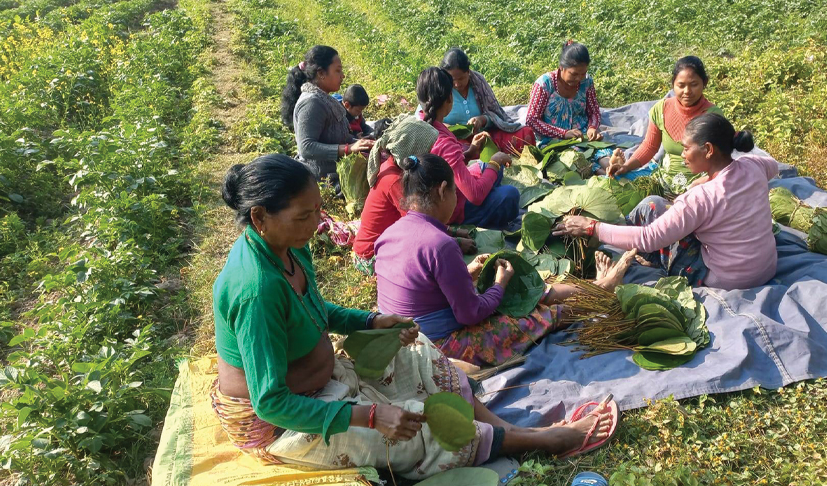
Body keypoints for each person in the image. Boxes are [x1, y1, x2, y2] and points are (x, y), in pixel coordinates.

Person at [212, 154, 616, 476]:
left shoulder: (291, 247)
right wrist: (370, 415)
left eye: (318, 210)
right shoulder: (256, 289)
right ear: (260, 218)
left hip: (322, 380)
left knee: (419, 350)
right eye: (304, 216)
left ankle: (504, 429)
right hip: (285, 421)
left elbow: (316, 311)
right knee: (421, 428)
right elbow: (270, 403)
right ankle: (541, 440)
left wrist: (369, 321)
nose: (317, 223)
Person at [374, 154, 638, 367]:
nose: (456, 199)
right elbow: (470, 314)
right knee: (540, 314)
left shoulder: (389, 234)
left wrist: (469, 272)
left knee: (528, 291)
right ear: (443, 190)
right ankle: (600, 292)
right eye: (456, 190)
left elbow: (422, 285)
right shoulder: (440, 244)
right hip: (433, 346)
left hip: (396, 338)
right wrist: (499, 285)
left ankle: (596, 285)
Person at [555, 114, 777, 290]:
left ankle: (611, 247)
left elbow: (649, 238)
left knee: (650, 208)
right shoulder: (753, 165)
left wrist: (591, 226)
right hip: (765, 267)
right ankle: (617, 240)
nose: (682, 155)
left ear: (708, 150)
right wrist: (705, 179)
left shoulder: (701, 198)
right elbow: (773, 167)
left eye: (687, 148)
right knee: (659, 205)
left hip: (725, 278)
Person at [352, 114, 475, 275]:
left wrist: (452, 232)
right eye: (427, 149)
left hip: (385, 243)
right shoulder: (395, 181)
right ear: (413, 151)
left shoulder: (396, 169)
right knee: (430, 265)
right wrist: (457, 242)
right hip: (371, 256)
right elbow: (419, 226)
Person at [417, 67, 520, 229]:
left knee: (490, 170)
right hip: (450, 210)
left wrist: (470, 153)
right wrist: (494, 162)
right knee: (510, 194)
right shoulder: (444, 143)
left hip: (430, 201)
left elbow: (442, 167)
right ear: (449, 99)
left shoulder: (418, 128)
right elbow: (475, 195)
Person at [606, 56, 723, 191]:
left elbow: (722, 160)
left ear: (705, 83)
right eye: (681, 85)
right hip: (662, 179)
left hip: (699, 186)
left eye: (694, 84)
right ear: (673, 84)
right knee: (613, 182)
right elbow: (649, 146)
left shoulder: (713, 116)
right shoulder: (661, 109)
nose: (687, 91)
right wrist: (626, 167)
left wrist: (702, 183)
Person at [280, 45, 374, 189]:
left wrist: (359, 143)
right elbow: (306, 147)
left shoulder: (323, 98)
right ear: (321, 73)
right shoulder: (311, 103)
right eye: (337, 70)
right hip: (322, 179)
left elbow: (334, 136)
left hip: (334, 170)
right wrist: (348, 149)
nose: (342, 75)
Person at [525, 41, 612, 173]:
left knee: (603, 154)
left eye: (583, 73)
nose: (579, 78)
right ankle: (598, 172)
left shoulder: (587, 82)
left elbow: (594, 111)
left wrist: (592, 127)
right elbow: (531, 120)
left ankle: (612, 167)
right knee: (576, 158)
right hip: (554, 140)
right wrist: (563, 133)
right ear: (561, 67)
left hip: (582, 134)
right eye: (574, 74)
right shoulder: (544, 84)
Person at [439, 47, 535, 154]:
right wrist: (449, 128)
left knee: (525, 134)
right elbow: (426, 117)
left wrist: (482, 120)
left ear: (468, 72)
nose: (457, 84)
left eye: (461, 79)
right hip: (455, 141)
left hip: (485, 136)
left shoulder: (478, 83)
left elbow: (494, 113)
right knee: (457, 152)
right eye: (453, 80)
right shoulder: (439, 88)